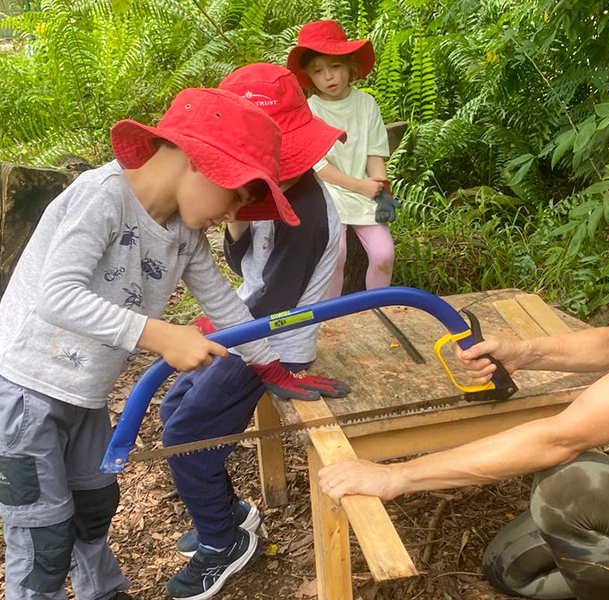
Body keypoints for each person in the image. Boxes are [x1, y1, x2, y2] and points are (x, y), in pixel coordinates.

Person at [316, 89, 609, 600]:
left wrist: (396, 476)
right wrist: (520, 353)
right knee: (508, 567)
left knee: (569, 484)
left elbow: (560, 437)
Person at [0, 87, 307, 600]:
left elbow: (226, 306)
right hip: (26, 391)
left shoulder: (182, 233)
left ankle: (102, 590)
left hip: (85, 394)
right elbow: (56, 296)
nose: (232, 214)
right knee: (43, 536)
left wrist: (270, 367)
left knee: (93, 507)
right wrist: (159, 334)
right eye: (236, 196)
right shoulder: (102, 196)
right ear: (199, 162)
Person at [159, 63, 351, 600]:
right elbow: (246, 265)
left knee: (186, 436)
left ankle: (222, 544)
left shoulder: (306, 209)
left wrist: (200, 328)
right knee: (175, 414)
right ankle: (230, 514)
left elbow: (274, 302)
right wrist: (238, 225)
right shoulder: (263, 196)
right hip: (247, 328)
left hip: (275, 344)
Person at [287, 19, 398, 298]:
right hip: (327, 193)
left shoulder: (366, 104)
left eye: (335, 66)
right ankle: (332, 318)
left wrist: (381, 188)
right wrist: (359, 185)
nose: (329, 77)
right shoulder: (310, 109)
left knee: (384, 254)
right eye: (318, 71)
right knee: (336, 255)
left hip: (363, 192)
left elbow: (374, 152)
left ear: (349, 65)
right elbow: (318, 164)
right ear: (309, 77)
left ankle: (377, 310)